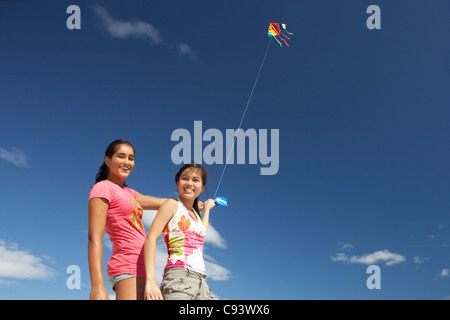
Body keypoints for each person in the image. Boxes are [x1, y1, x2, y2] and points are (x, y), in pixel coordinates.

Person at [88, 139, 169, 300]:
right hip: (127, 263)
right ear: (107, 160)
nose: (126, 162)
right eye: (121, 156)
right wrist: (97, 285)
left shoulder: (130, 193)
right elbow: (93, 239)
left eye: (131, 158)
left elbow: (163, 203)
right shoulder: (103, 188)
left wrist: (195, 203)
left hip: (145, 267)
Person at [144, 163, 216, 300]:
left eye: (195, 180)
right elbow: (150, 239)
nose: (189, 183)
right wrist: (151, 281)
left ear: (202, 187)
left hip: (202, 282)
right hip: (179, 277)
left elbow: (202, 233)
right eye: (185, 178)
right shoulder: (171, 205)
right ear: (177, 182)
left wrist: (206, 209)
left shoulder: (195, 214)